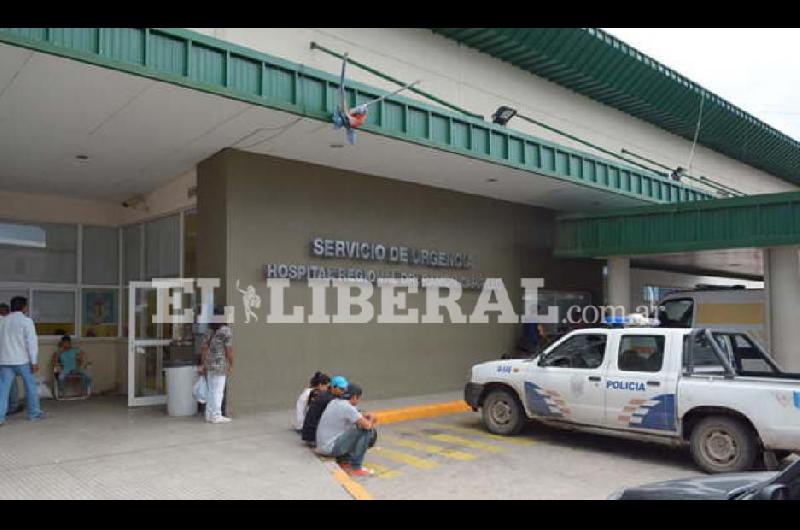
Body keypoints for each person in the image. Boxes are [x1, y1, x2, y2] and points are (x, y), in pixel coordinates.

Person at [0, 296, 47, 425]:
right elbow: (32, 342)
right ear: (24, 307)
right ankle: (34, 413)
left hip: (5, 361)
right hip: (22, 361)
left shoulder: (2, 321)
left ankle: (0, 417)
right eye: (27, 306)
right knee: (30, 387)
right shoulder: (26, 321)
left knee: (3, 390)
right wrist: (34, 361)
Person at [315, 383, 378, 477]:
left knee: (351, 428)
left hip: (322, 446)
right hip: (329, 449)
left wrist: (364, 415)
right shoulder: (347, 408)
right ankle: (356, 467)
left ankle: (344, 461)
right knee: (366, 431)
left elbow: (356, 413)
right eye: (359, 398)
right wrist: (372, 418)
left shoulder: (335, 402)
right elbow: (367, 426)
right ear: (355, 397)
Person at [198, 308, 234, 424]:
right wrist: (232, 363)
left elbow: (204, 349)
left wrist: (202, 364)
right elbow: (229, 350)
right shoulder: (225, 331)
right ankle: (216, 415)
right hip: (219, 365)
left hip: (209, 364)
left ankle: (209, 414)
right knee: (218, 391)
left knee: (211, 391)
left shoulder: (208, 331)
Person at [301, 375, 348, 445]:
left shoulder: (327, 394)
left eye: (345, 389)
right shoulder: (329, 399)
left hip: (309, 433)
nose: (344, 391)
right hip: (313, 435)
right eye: (341, 389)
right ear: (333, 387)